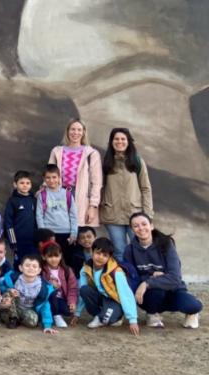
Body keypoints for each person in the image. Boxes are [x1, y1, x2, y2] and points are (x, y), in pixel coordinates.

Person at [125, 213, 202, 329]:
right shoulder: (129, 250)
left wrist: (147, 282)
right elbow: (132, 278)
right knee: (156, 292)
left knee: (192, 306)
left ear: (151, 226)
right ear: (132, 230)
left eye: (144, 224)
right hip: (150, 295)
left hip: (173, 290)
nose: (141, 228)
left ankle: (193, 312)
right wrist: (151, 276)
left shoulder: (166, 245)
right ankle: (152, 314)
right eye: (136, 226)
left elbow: (175, 277)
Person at [100, 128, 153, 261]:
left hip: (135, 214)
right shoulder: (105, 162)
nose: (120, 142)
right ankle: (124, 275)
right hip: (112, 215)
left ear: (128, 141)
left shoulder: (137, 161)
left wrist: (147, 214)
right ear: (111, 142)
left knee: (140, 250)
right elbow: (99, 187)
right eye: (116, 139)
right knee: (119, 251)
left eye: (123, 139)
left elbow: (145, 188)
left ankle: (141, 275)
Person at [73, 237, 139, 335]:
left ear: (110, 257)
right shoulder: (85, 269)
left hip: (114, 301)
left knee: (107, 319)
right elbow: (81, 292)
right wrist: (77, 313)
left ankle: (113, 316)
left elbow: (126, 294)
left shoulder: (116, 272)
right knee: (84, 289)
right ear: (92, 252)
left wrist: (133, 320)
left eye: (105, 255)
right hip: (101, 297)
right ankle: (99, 316)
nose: (100, 257)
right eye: (98, 253)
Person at [48, 119, 103, 228]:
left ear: (83, 132)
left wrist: (93, 206)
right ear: (67, 131)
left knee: (78, 230)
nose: (75, 132)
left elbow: (96, 183)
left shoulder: (91, 153)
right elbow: (49, 176)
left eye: (79, 130)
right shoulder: (57, 151)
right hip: (59, 195)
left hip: (81, 197)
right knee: (59, 230)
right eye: (73, 129)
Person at [0, 254, 57, 333]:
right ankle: (12, 317)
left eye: (34, 266)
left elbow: (45, 306)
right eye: (27, 265)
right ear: (21, 268)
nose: (31, 268)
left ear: (39, 270)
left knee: (33, 322)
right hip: (12, 307)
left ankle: (17, 319)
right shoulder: (14, 278)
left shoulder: (42, 287)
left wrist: (47, 325)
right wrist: (9, 289)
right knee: (8, 293)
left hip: (27, 310)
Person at [35, 165, 78, 265]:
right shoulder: (42, 195)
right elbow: (39, 216)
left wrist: (74, 233)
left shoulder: (67, 194)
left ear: (59, 178)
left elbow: (73, 215)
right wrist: (44, 234)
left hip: (66, 233)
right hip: (50, 234)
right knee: (50, 261)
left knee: (66, 261)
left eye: (54, 177)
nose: (51, 180)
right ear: (44, 179)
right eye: (48, 178)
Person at [41, 243, 77, 329]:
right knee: (53, 292)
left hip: (62, 299)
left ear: (61, 256)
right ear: (44, 257)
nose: (54, 259)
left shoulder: (67, 270)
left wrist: (72, 302)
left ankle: (53, 313)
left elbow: (72, 288)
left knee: (68, 311)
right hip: (47, 299)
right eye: (50, 256)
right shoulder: (41, 271)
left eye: (56, 256)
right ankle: (56, 316)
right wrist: (50, 285)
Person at [4, 170, 37, 263]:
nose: (25, 185)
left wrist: (38, 237)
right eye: (22, 183)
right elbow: (8, 222)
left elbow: (37, 219)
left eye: (27, 183)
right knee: (20, 263)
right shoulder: (12, 201)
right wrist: (13, 241)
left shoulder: (33, 200)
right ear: (15, 184)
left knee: (33, 262)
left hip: (33, 240)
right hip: (18, 240)